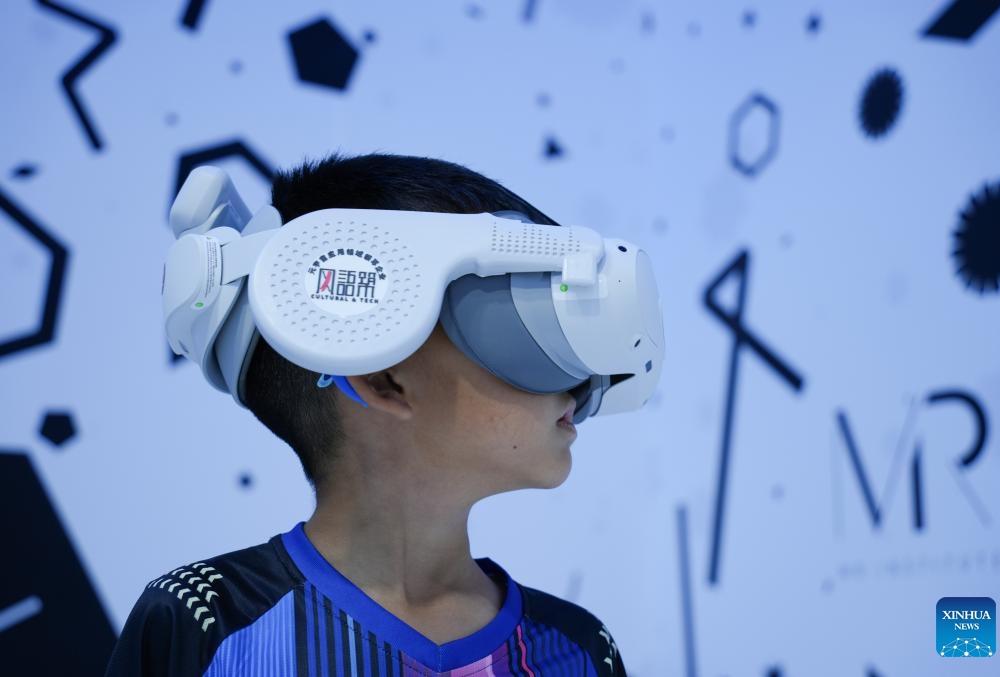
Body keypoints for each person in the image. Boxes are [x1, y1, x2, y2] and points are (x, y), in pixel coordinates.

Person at [105, 152, 628, 676]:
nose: (579, 384)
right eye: (526, 328)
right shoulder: (203, 624)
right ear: (383, 378)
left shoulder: (580, 649)